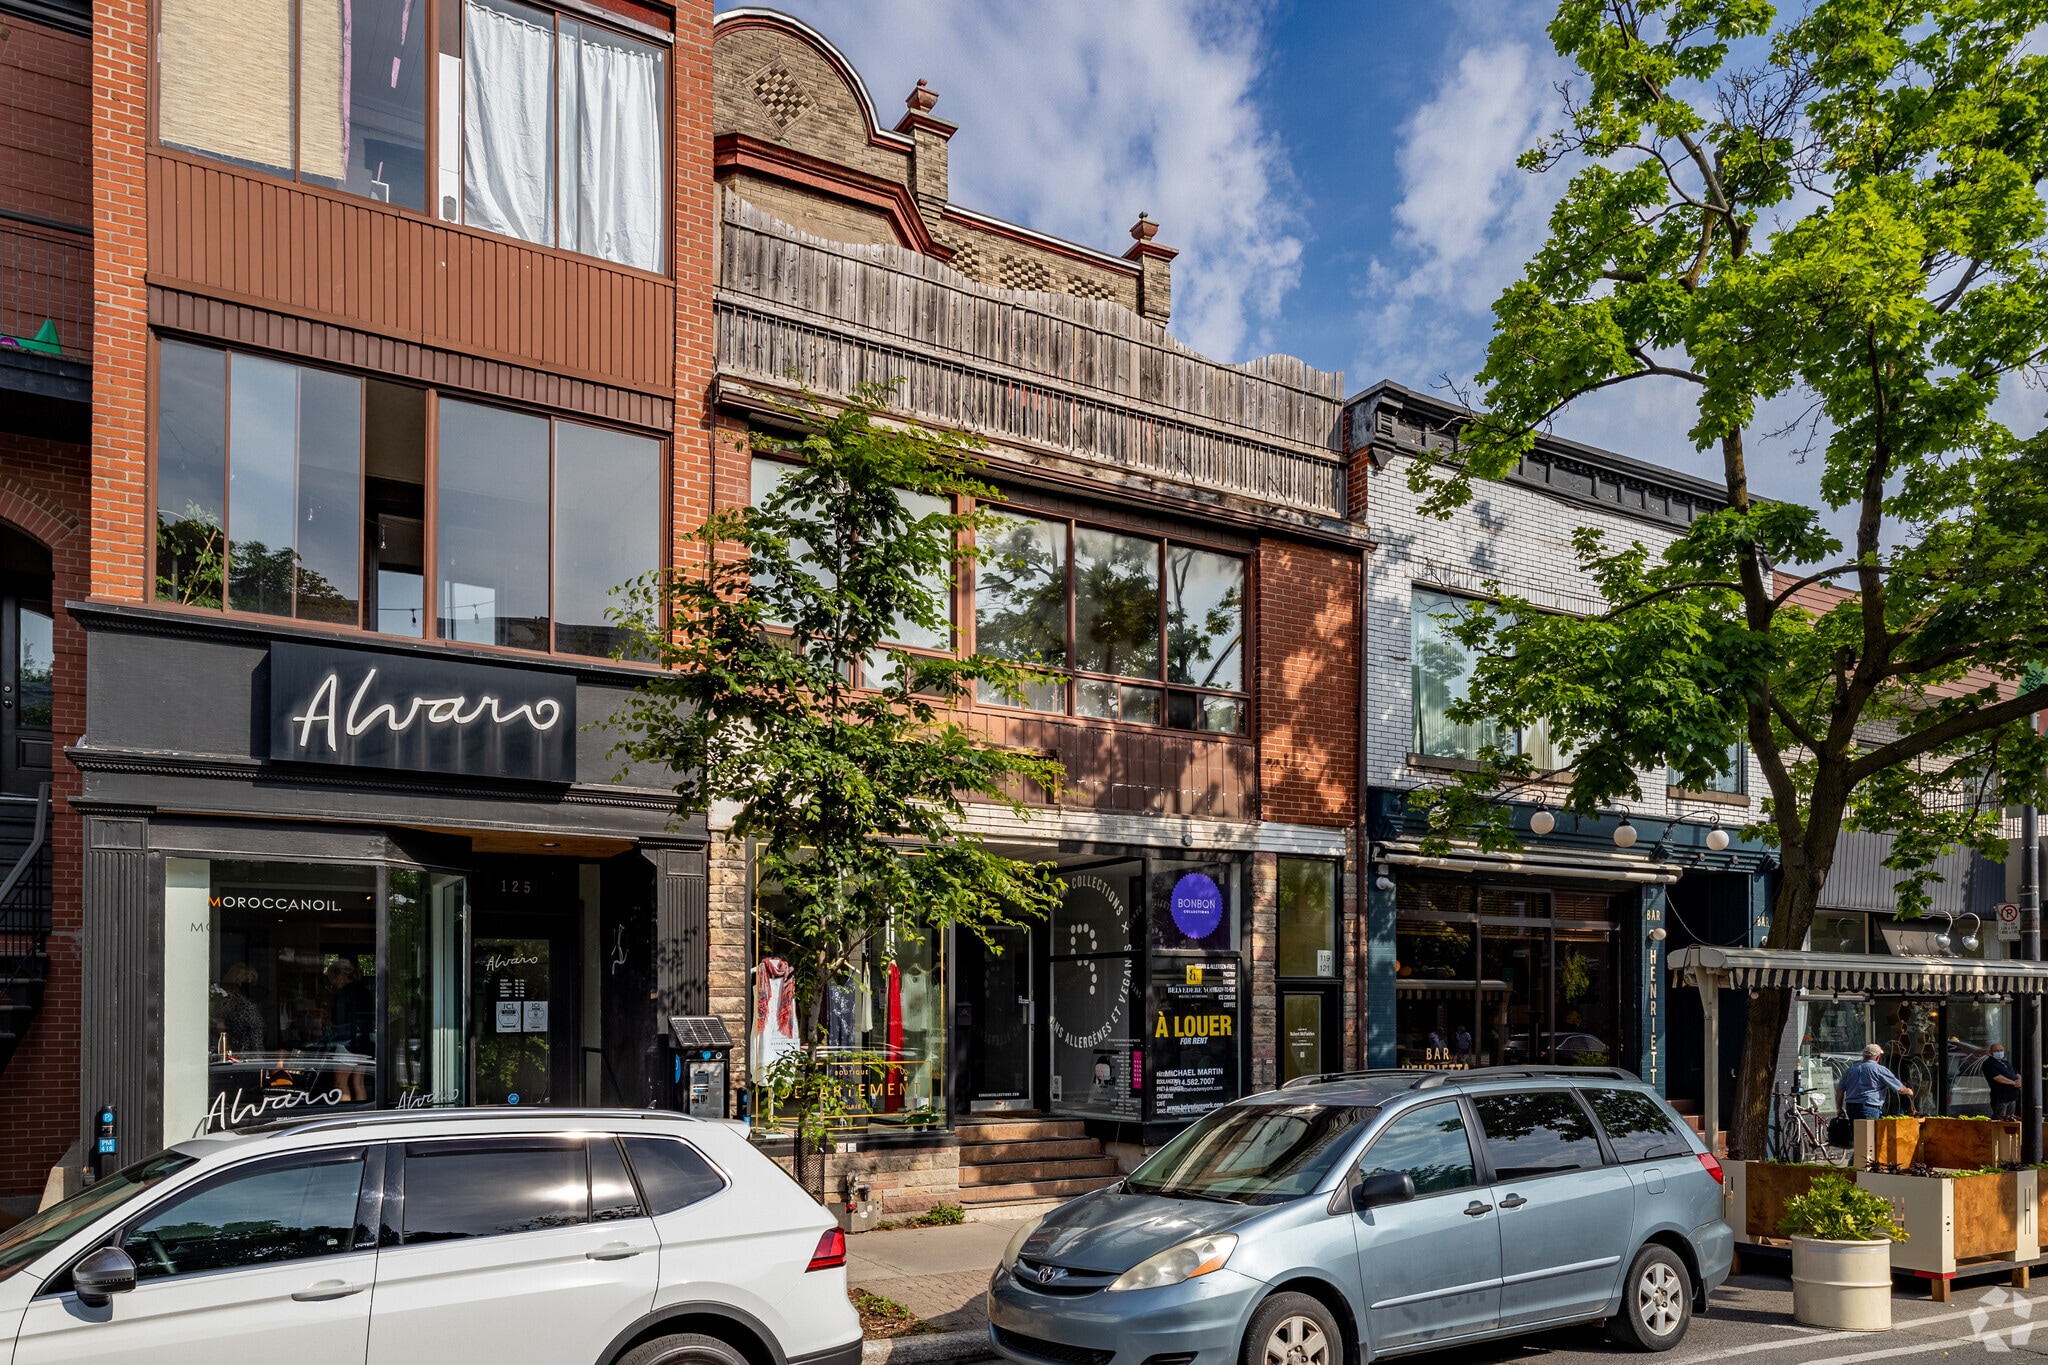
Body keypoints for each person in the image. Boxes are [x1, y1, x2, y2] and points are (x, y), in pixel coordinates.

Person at [1836, 1043, 1913, 1119]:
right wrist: (1908, 1091)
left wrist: (1839, 1108)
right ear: (1877, 1057)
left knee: (1855, 1131)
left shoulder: (1850, 1070)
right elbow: (1899, 1089)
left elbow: (1839, 1091)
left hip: (1851, 1108)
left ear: (1864, 1056)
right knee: (1868, 1131)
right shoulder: (1880, 1070)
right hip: (1869, 1108)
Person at [1984, 1042, 2022, 1118]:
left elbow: (2016, 1073)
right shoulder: (1988, 1063)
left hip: (2012, 1096)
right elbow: (1997, 1078)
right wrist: (2013, 1083)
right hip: (2000, 1097)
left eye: (2001, 1050)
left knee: (2011, 1118)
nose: (1999, 1052)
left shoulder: (2006, 1063)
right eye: (1996, 1051)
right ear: (1991, 1052)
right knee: (2000, 1118)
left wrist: (2019, 1080)